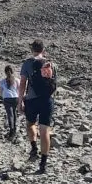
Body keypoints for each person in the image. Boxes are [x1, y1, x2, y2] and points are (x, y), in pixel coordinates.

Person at [18, 39, 57, 173]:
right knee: (45, 130)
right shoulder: (50, 64)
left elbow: (22, 83)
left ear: (32, 49)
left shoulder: (27, 63)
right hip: (47, 100)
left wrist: (20, 102)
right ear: (43, 50)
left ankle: (34, 148)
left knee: (30, 124)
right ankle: (43, 164)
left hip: (32, 100)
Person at [0, 65, 19, 140]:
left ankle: (11, 132)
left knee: (10, 115)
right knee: (14, 113)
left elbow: (0, 92)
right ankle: (14, 129)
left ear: (5, 72)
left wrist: (0, 97)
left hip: (7, 98)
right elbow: (19, 90)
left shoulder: (3, 81)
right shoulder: (16, 80)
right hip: (15, 98)